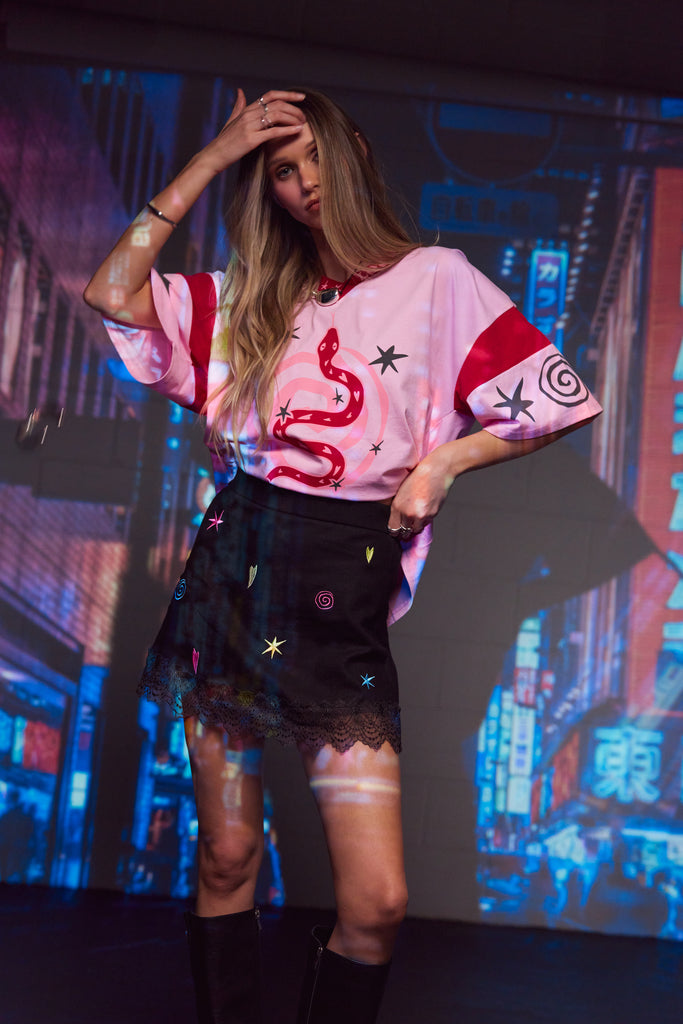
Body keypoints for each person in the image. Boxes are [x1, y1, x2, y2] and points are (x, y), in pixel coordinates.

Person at [84, 87, 601, 1024]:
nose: (304, 183)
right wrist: (214, 156)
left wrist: (442, 461)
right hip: (236, 570)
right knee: (227, 856)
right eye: (282, 171)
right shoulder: (249, 296)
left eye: (315, 157)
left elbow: (552, 401)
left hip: (343, 581)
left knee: (377, 903)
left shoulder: (437, 279)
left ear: (355, 151)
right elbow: (111, 292)